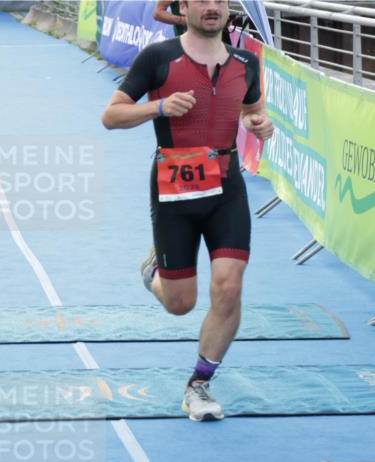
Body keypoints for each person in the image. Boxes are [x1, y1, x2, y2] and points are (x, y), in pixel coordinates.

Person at [101, 0, 273, 421]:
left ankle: (199, 384)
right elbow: (111, 115)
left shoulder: (247, 62)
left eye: (219, 0)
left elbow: (252, 111)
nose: (212, 7)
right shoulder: (159, 58)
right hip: (174, 186)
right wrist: (158, 107)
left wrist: (259, 124)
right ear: (185, 7)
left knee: (229, 287)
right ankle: (154, 273)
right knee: (180, 304)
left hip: (227, 187)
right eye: (202, 0)